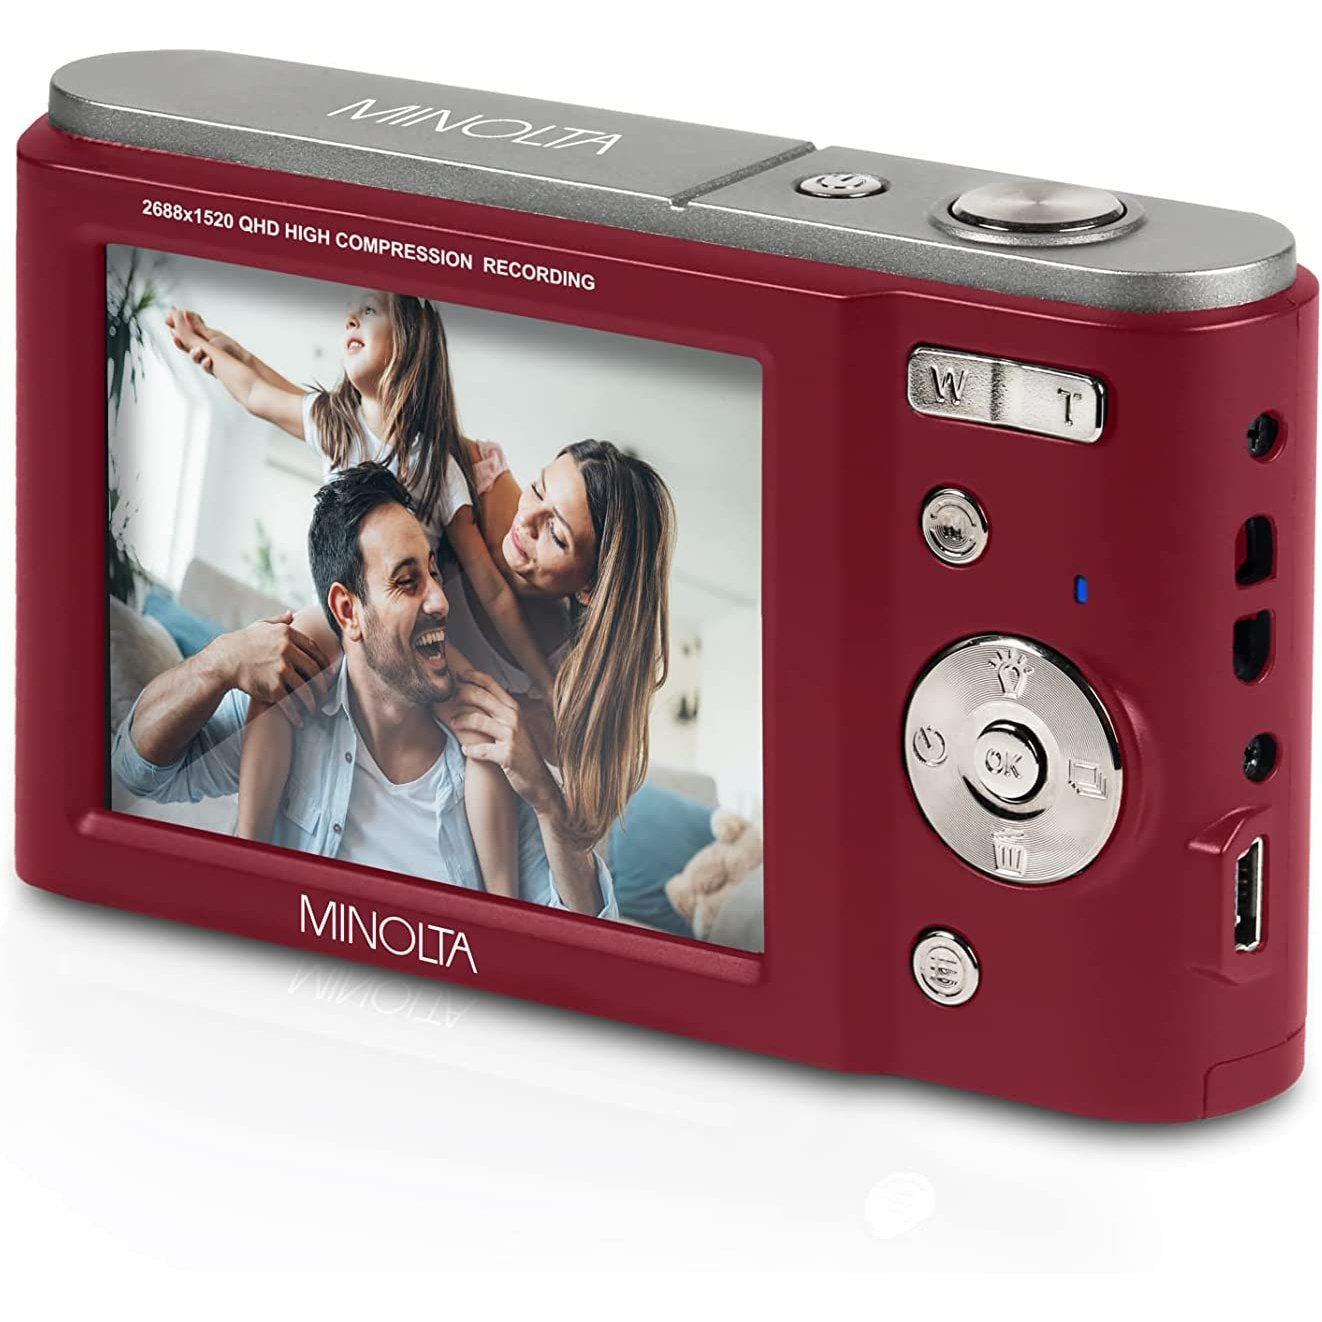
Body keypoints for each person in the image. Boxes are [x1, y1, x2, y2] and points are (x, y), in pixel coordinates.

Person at [165, 293, 554, 898]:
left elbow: (489, 586)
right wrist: (208, 348)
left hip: (409, 633)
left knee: (482, 723)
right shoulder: (335, 424)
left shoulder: (437, 464)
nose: (351, 317)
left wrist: (543, 679)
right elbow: (257, 390)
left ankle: (501, 897)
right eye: (354, 309)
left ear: (411, 347)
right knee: (278, 674)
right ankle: (248, 843)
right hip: (337, 615)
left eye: (372, 313)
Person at [111, 464, 613, 918]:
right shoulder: (295, 706)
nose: (440, 600)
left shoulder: (493, 756)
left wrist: (549, 800)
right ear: (347, 611)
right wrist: (219, 661)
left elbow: (586, 932)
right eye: (407, 581)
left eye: (434, 572)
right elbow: (137, 768)